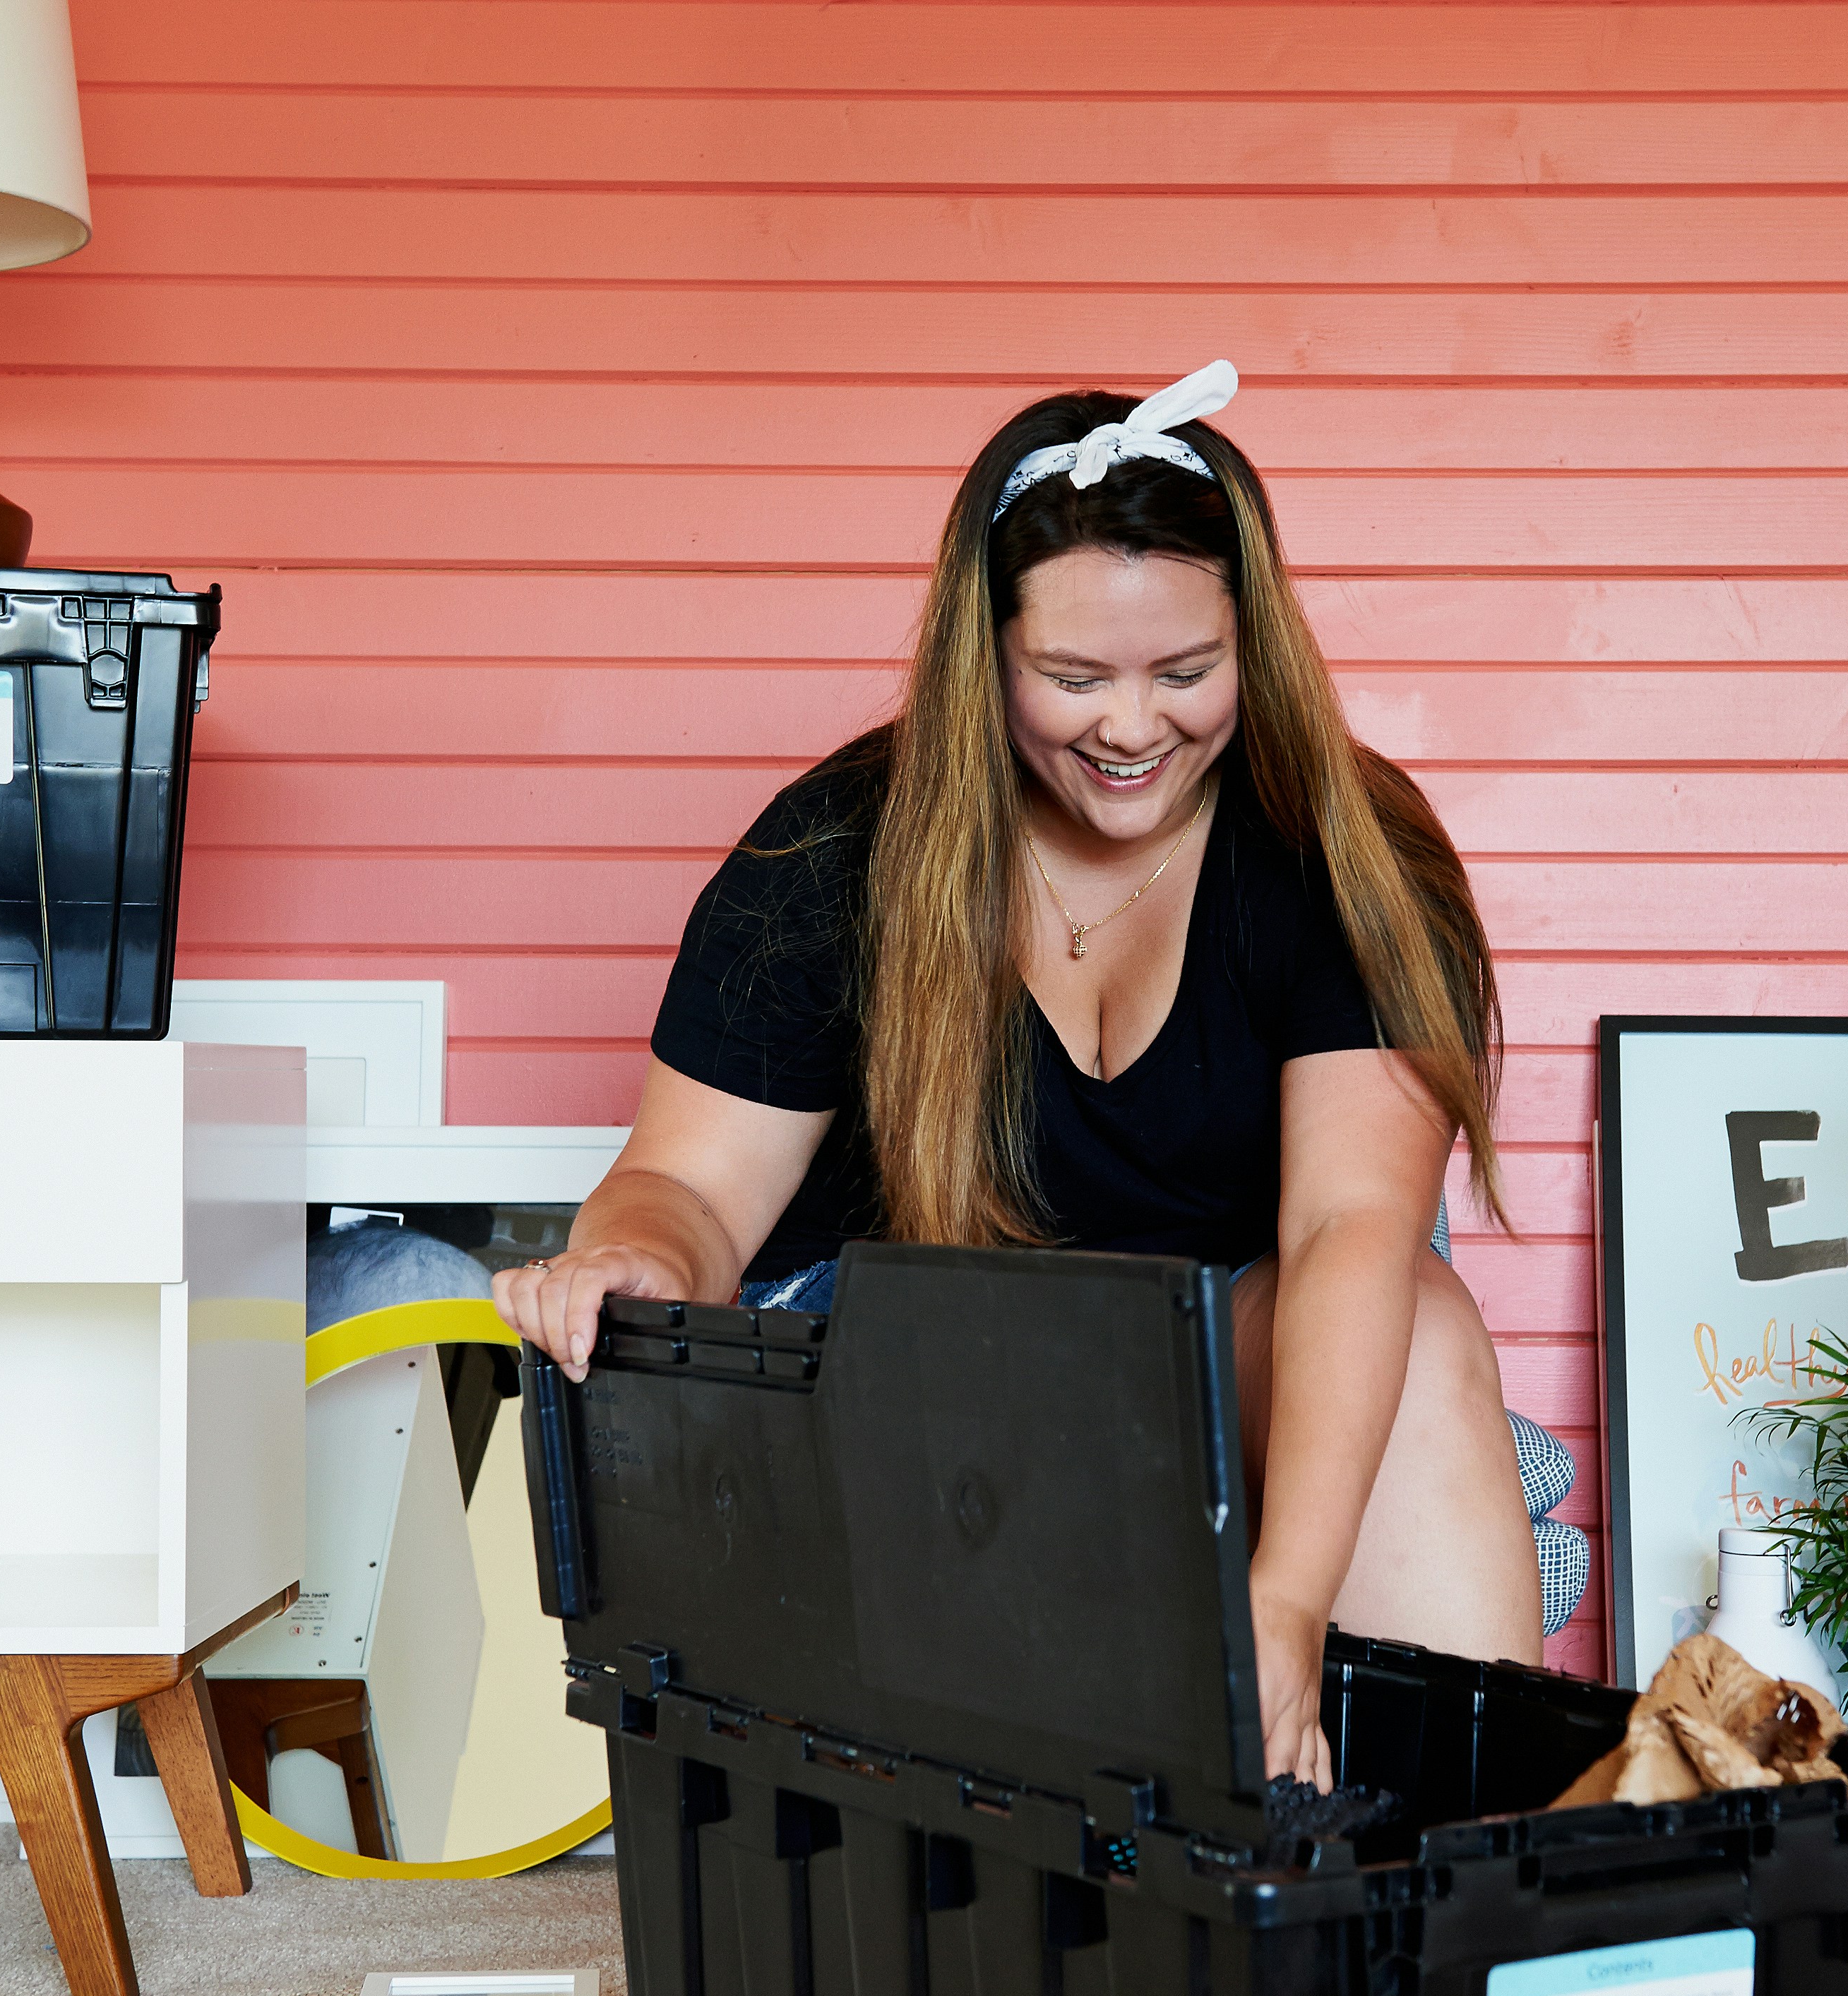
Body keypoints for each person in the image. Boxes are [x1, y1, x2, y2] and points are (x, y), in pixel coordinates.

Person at [494, 361, 1538, 1788]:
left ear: (1256, 644)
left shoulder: (1346, 853)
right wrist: (626, 1258)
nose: (1129, 728)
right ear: (981, 654)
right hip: (903, 1374)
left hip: (1196, 1367)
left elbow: (1348, 1227)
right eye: (1071, 678)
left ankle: (1459, 1906)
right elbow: (688, 1183)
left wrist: (1281, 1611)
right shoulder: (834, 847)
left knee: (1412, 1326)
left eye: (1184, 673)